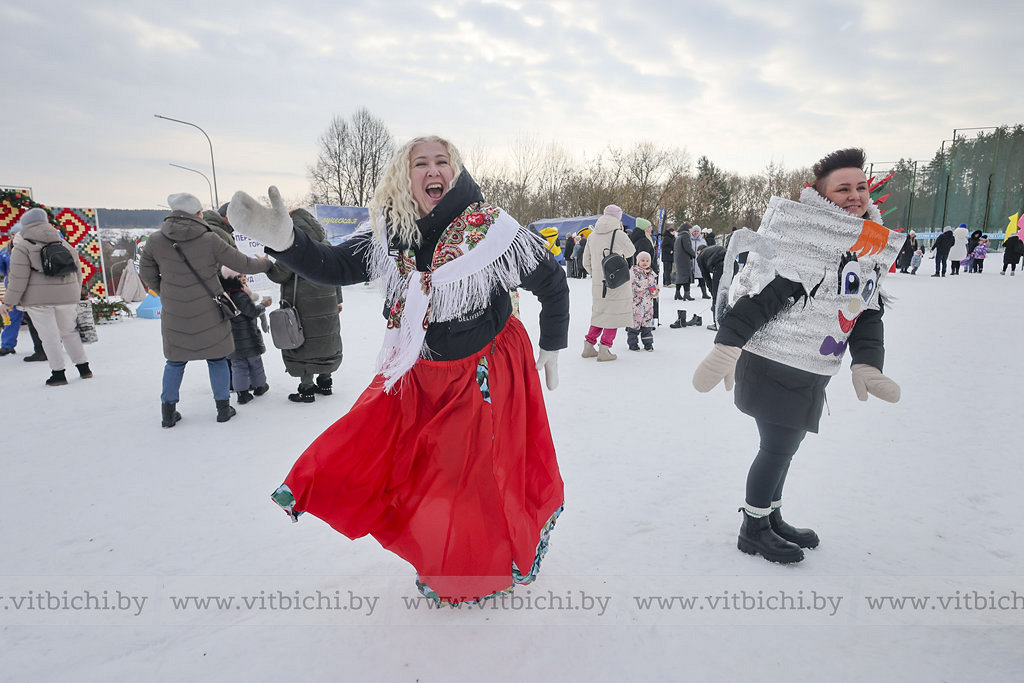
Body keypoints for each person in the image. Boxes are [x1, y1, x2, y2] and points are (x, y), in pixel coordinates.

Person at [228, 135, 568, 605]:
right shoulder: (391, 233)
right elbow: (334, 265)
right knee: (408, 466)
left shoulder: (492, 229)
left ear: (455, 170)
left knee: (469, 477)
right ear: (404, 176)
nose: (433, 171)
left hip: (480, 373)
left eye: (441, 162)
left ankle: (472, 565)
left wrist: (552, 342)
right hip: (417, 373)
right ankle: (447, 552)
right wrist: (286, 242)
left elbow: (551, 280)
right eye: (420, 163)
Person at [693, 147, 903, 564]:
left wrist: (867, 363)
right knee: (778, 447)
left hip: (810, 367)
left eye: (861, 187)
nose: (855, 195)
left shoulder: (864, 248)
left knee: (783, 446)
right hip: (774, 364)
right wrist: (727, 346)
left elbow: (864, 311)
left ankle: (770, 516)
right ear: (821, 195)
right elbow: (761, 299)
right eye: (843, 188)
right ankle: (753, 528)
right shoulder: (803, 245)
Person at [139, 192, 272, 427]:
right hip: (210, 308)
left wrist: (167, 293)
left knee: (175, 362)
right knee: (217, 359)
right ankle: (222, 409)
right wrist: (267, 263)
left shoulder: (155, 241)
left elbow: (147, 274)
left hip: (174, 312)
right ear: (198, 214)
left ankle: (168, 413)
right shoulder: (209, 239)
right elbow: (242, 264)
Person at [0, 208, 91, 386]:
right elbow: (78, 272)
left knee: (49, 337)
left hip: (38, 301)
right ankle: (84, 369)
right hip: (67, 297)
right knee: (70, 332)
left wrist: (8, 302)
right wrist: (74, 292)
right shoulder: (63, 243)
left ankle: (58, 374)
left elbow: (17, 279)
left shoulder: (22, 246)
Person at [265, 208, 344, 403]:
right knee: (325, 338)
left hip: (301, 304)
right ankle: (326, 382)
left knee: (303, 341)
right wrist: (338, 299)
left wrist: (266, 265)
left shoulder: (292, 247)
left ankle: (306, 388)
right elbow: (337, 274)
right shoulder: (326, 245)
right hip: (327, 301)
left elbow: (279, 275)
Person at [581, 205, 636, 361]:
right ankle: (604, 349)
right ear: (618, 218)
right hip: (617, 282)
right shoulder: (619, 234)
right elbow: (631, 251)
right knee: (614, 316)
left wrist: (597, 274)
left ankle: (589, 346)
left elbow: (586, 262)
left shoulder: (592, 235)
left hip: (599, 285)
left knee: (600, 314)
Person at [221, 267, 272, 404]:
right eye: (239, 277)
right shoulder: (240, 296)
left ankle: (242, 393)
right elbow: (252, 312)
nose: (243, 279)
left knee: (237, 365)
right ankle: (260, 386)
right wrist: (263, 305)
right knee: (255, 363)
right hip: (248, 337)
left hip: (231, 339)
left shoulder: (223, 296)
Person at [626, 251, 658, 351]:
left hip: (648, 305)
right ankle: (633, 343)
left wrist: (655, 291)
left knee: (647, 326)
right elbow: (634, 286)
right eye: (642, 260)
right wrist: (647, 283)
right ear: (638, 261)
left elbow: (654, 286)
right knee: (634, 325)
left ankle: (648, 344)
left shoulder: (652, 273)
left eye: (647, 261)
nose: (645, 262)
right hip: (637, 304)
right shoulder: (634, 272)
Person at [696, 243, 726, 331]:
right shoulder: (713, 249)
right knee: (724, 292)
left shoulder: (700, 256)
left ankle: (717, 323)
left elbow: (706, 276)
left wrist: (712, 291)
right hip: (733, 265)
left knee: (717, 295)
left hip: (720, 266)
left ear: (699, 251)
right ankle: (724, 318)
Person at [673, 222, 695, 300]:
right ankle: (687, 294)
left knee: (680, 276)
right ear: (688, 228)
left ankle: (677, 293)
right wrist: (693, 254)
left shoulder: (679, 235)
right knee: (686, 276)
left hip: (678, 259)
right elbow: (687, 247)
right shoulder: (686, 235)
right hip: (685, 259)